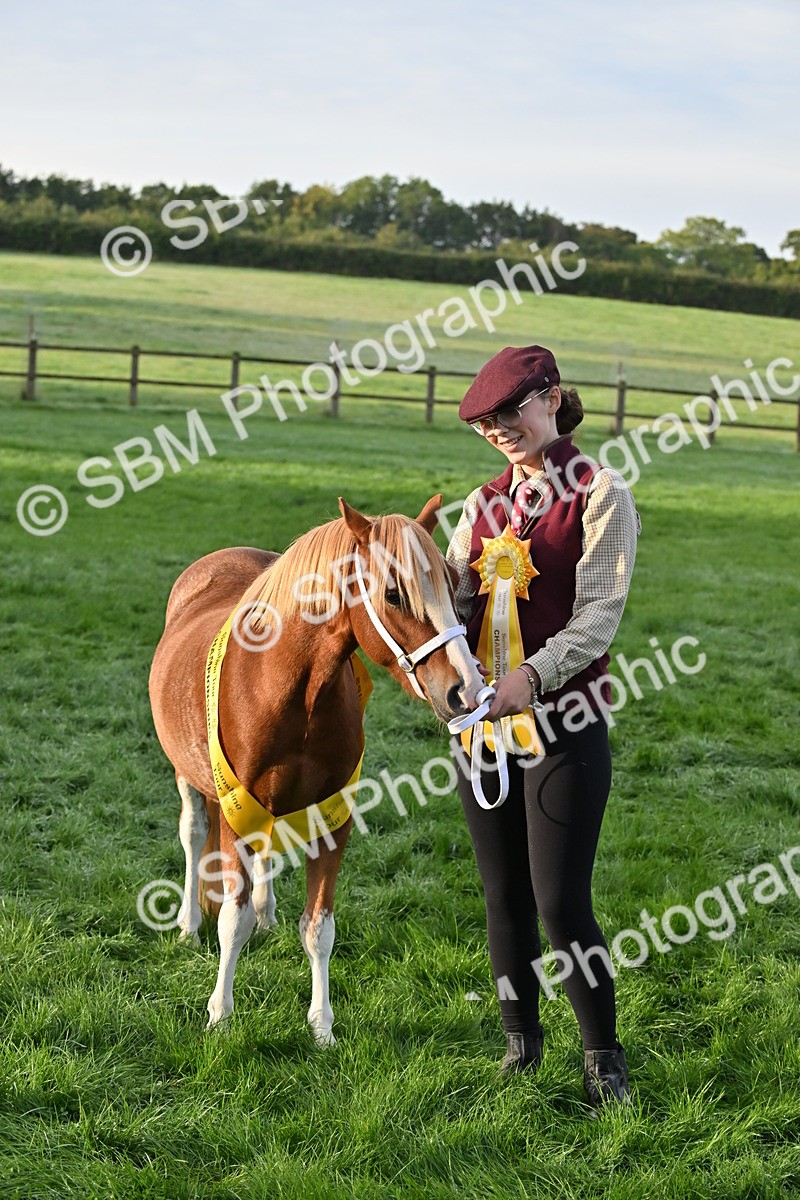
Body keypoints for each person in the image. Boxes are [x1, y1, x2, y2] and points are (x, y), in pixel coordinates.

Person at [446, 344, 641, 1111]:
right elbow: (456, 600)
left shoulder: (601, 492)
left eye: (512, 412)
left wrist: (530, 678)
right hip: (482, 731)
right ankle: (519, 1046)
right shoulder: (480, 504)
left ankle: (604, 1059)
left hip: (565, 721)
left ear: (552, 398)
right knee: (503, 896)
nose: (499, 429)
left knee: (560, 901)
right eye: (486, 423)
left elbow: (598, 616)